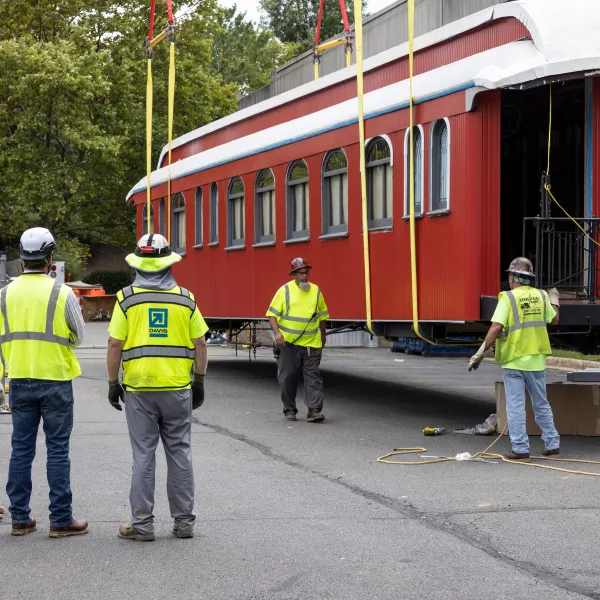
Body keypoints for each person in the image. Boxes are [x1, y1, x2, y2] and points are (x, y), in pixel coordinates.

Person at [106, 233, 208, 542]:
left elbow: (114, 345)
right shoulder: (186, 299)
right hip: (177, 388)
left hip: (139, 390)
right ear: (168, 264)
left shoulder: (126, 298)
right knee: (179, 453)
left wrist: (113, 383)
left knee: (143, 456)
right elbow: (201, 344)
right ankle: (185, 524)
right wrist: (199, 381)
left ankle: (142, 525)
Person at [0, 228, 87, 537]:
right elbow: (79, 336)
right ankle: (61, 520)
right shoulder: (62, 293)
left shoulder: (4, 294)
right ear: (50, 259)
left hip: (20, 377)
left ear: (22, 259)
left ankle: (20, 519)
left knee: (21, 449)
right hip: (57, 380)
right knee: (57, 449)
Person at [468, 257, 560, 460]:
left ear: (512, 278)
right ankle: (552, 444)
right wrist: (555, 300)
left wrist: (480, 352)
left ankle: (520, 448)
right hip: (536, 359)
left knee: (516, 406)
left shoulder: (507, 299)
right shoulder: (542, 296)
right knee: (541, 403)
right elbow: (554, 319)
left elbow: (496, 327)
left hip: (514, 360)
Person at [267, 258, 329, 422]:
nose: (304, 276)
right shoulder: (285, 290)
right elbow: (271, 315)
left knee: (313, 377)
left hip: (311, 343)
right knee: (288, 377)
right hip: (288, 344)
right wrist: (277, 334)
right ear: (294, 274)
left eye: (306, 272)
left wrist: (323, 334)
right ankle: (289, 409)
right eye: (301, 273)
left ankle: (314, 410)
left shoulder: (316, 291)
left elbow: (322, 316)